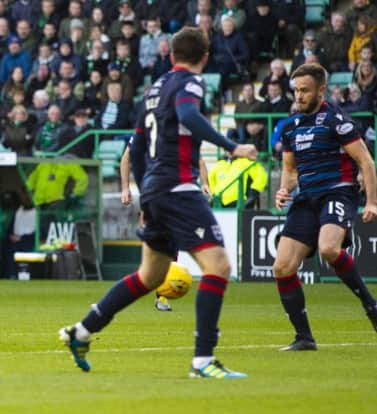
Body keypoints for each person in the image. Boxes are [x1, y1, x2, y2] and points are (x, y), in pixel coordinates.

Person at [59, 27, 257, 378]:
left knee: (150, 275)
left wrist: (145, 191)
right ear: (205, 57)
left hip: (155, 189)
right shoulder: (191, 83)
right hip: (178, 187)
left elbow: (135, 147)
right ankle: (203, 360)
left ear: (170, 55)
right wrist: (233, 147)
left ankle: (83, 330)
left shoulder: (153, 90)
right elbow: (189, 116)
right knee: (219, 267)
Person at [273, 63, 377, 351]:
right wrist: (284, 189)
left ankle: (371, 305)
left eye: (305, 91)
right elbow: (291, 171)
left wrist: (371, 202)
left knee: (329, 249)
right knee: (282, 267)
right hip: (306, 199)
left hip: (337, 193)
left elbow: (366, 162)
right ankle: (304, 337)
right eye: (296, 91)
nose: (299, 96)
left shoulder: (336, 120)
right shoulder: (291, 126)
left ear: (321, 90)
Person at [120, 141, 212, 312]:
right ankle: (153, 288)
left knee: (174, 241)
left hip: (183, 192)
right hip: (155, 193)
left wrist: (205, 183)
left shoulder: (182, 129)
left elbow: (198, 159)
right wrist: (125, 188)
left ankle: (162, 290)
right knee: (157, 245)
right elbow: (126, 158)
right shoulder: (147, 130)